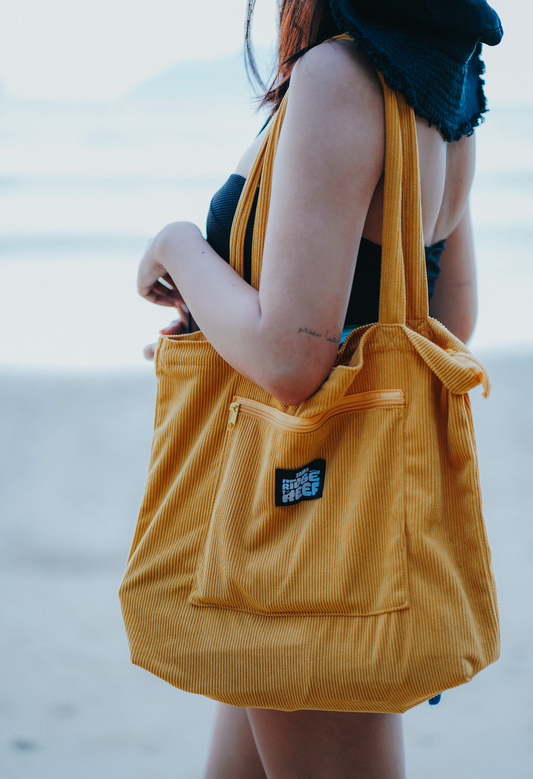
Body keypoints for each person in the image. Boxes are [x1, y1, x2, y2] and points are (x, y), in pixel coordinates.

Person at [137, 1, 502, 776]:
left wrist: (178, 247)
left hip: (302, 520)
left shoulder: (337, 76)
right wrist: (227, 301)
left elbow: (289, 358)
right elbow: (445, 316)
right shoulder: (442, 83)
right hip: (321, 513)